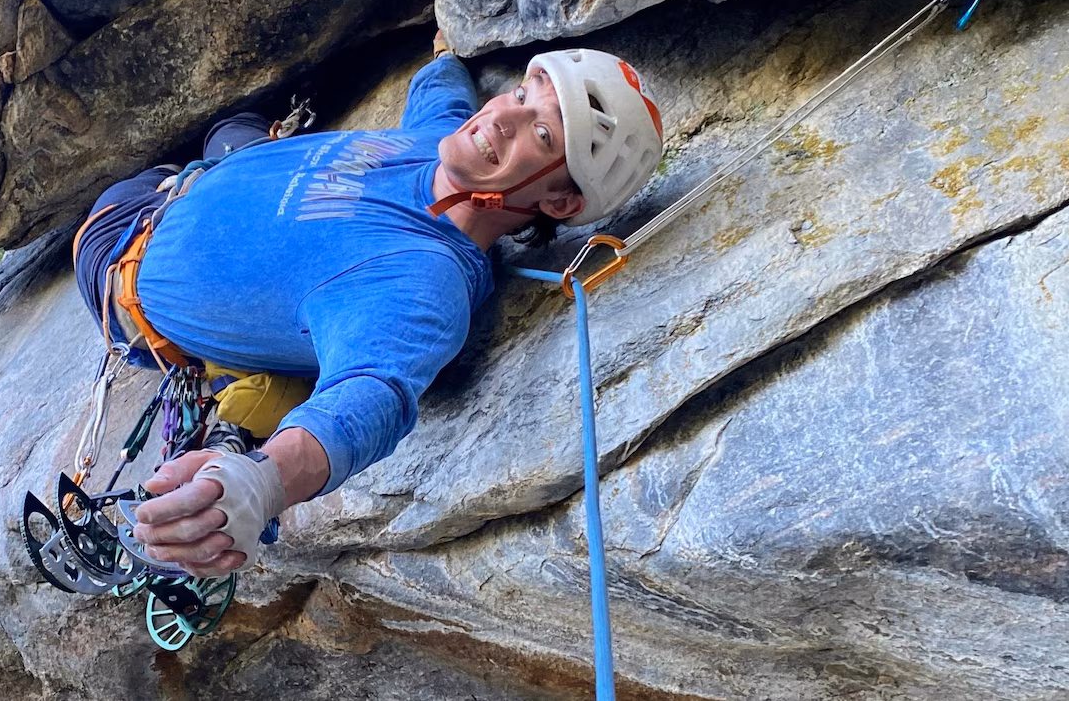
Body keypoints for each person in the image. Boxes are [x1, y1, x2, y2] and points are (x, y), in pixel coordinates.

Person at [70, 32, 665, 577]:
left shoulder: (421, 284)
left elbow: (370, 396)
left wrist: (263, 483)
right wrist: (446, 51)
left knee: (177, 163)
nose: (505, 115)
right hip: (211, 176)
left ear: (560, 204)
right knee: (233, 132)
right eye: (521, 93)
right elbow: (442, 94)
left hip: (117, 251)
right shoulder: (439, 140)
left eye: (542, 133)